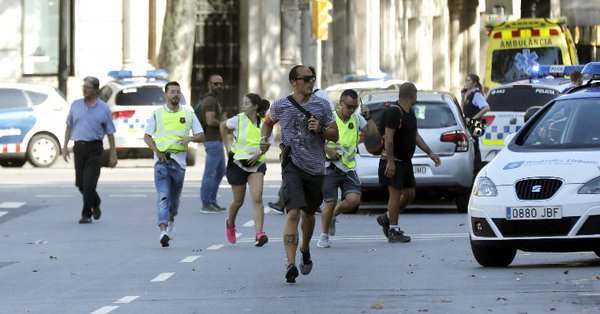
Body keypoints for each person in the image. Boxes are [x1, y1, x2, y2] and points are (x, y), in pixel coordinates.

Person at [260, 65, 339, 283]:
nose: (310, 82)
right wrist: (264, 139)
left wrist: (321, 129)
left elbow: (335, 134)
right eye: (305, 79)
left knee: (309, 215)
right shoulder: (280, 105)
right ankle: (290, 264)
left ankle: (304, 249)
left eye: (312, 79)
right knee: (293, 213)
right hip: (292, 165)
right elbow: (267, 124)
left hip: (315, 168)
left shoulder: (322, 105)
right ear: (293, 82)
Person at [376, 82, 441, 243]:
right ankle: (393, 230)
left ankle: (386, 217)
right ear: (412, 95)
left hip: (405, 161)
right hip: (393, 161)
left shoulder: (410, 112)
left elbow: (415, 135)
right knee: (395, 195)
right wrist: (390, 162)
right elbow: (389, 138)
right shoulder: (394, 112)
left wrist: (430, 153)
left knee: (410, 194)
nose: (416, 97)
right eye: (416, 94)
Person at [144, 81, 204, 247]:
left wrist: (190, 138)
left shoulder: (188, 114)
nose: (175, 94)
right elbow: (147, 137)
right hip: (162, 161)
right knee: (163, 196)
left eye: (178, 92)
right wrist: (157, 150)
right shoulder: (157, 114)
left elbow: (201, 135)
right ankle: (163, 231)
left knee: (174, 201)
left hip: (179, 162)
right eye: (172, 92)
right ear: (166, 94)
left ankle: (171, 219)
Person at [317, 89, 378, 248]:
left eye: (354, 107)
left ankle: (333, 215)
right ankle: (324, 236)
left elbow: (374, 135)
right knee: (329, 203)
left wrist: (368, 117)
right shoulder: (329, 118)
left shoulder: (357, 119)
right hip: (330, 166)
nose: (351, 110)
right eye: (349, 106)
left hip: (349, 168)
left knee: (354, 199)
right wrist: (326, 149)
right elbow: (314, 139)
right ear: (340, 103)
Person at [62, 76, 117, 224]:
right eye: (84, 86)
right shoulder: (76, 105)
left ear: (96, 90)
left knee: (89, 183)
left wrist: (113, 155)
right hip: (79, 148)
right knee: (80, 183)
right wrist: (64, 147)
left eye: (88, 87)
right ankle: (96, 202)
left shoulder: (103, 108)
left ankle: (86, 214)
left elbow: (110, 133)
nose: (85, 89)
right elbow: (69, 126)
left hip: (95, 148)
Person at [220, 93, 272, 247]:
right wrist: (228, 148)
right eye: (243, 103)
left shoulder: (265, 122)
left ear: (255, 107)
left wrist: (259, 153)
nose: (243, 106)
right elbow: (222, 126)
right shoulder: (238, 119)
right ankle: (230, 224)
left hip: (257, 165)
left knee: (257, 198)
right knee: (238, 201)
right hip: (238, 165)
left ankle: (259, 233)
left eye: (246, 103)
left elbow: (268, 143)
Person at [199, 74, 227, 213]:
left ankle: (212, 201)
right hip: (212, 141)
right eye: (215, 84)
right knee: (210, 173)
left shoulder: (214, 99)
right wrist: (225, 124)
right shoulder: (210, 100)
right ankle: (206, 203)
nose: (219, 86)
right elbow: (210, 121)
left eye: (220, 84)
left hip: (217, 140)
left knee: (220, 171)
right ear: (209, 84)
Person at [461, 73, 489, 174]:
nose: (466, 83)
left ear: (474, 83)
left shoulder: (476, 94)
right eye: (466, 80)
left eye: (469, 81)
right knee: (472, 147)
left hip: (475, 123)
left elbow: (486, 108)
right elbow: (463, 108)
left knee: (475, 147)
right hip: (469, 123)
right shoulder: (468, 94)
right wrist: (462, 95)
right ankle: (474, 169)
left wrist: (473, 118)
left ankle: (477, 170)